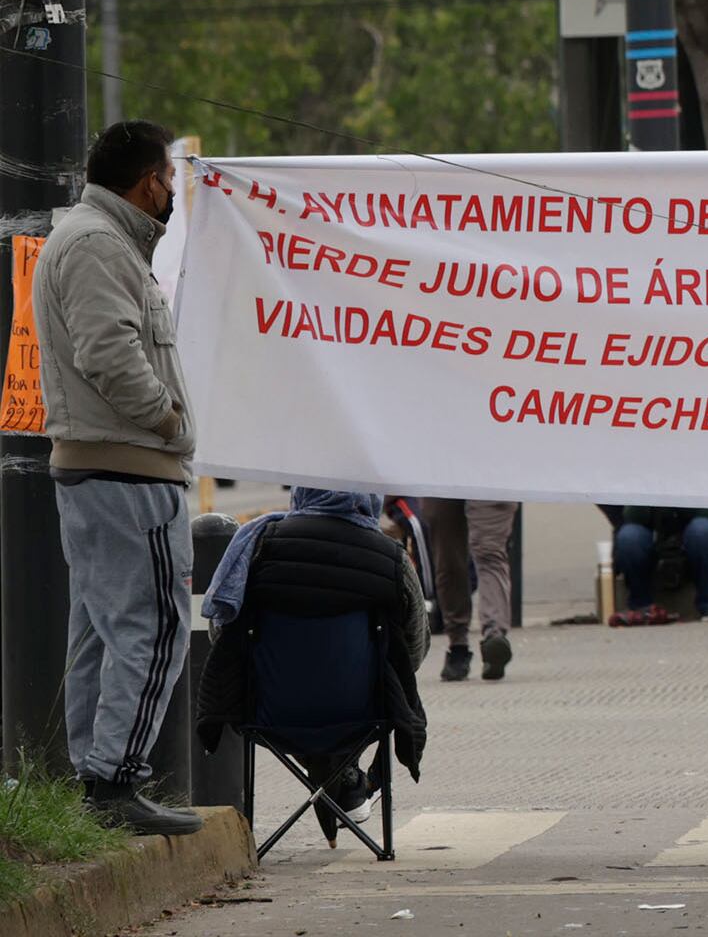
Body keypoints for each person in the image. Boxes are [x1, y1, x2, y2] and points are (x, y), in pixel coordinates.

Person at [34, 120, 199, 836]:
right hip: (127, 470)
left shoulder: (95, 238)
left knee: (100, 632)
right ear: (147, 180)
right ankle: (114, 781)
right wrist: (165, 421)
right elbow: (109, 352)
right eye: (169, 176)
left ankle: (95, 779)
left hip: (104, 468)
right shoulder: (100, 245)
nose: (172, 189)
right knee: (155, 623)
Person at [196, 488, 428, 827]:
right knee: (359, 679)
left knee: (297, 679)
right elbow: (414, 651)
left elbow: (221, 635)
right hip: (363, 713)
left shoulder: (257, 546)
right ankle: (343, 772)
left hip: (269, 710)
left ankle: (335, 771)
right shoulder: (389, 556)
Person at [421, 498, 521, 678]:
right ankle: (487, 635)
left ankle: (470, 644)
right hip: (444, 477)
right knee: (454, 559)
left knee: (477, 555)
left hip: (478, 475)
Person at [608, 506, 708, 625]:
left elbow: (705, 512)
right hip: (653, 537)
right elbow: (632, 516)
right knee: (629, 536)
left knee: (702, 529)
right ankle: (641, 607)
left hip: (697, 537)